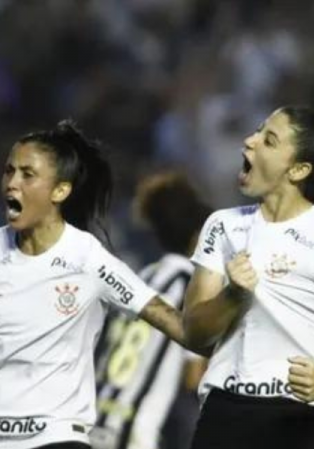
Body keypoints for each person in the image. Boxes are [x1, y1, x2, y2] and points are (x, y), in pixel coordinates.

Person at [0, 121, 189, 449]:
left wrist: (231, 303)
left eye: (27, 174)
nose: (12, 183)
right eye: (9, 171)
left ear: (60, 191)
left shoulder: (88, 257)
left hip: (56, 435)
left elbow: (177, 325)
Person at [182, 105, 314, 449]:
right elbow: (195, 334)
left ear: (299, 169)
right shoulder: (222, 225)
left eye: (268, 140)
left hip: (302, 417)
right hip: (226, 411)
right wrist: (231, 297)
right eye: (257, 131)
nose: (249, 141)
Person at [91, 171, 210, 449]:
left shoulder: (140, 279)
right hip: (133, 433)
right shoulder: (189, 289)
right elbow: (193, 379)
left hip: (92, 422)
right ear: (198, 237)